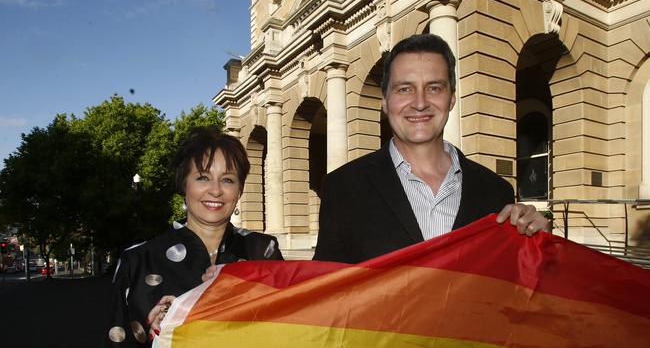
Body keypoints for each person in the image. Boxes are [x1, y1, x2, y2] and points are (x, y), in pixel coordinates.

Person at [313, 34, 549, 263]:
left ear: (451, 99)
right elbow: (325, 290)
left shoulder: (496, 192)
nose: (420, 103)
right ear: (385, 102)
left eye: (434, 88)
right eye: (404, 89)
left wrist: (540, 244)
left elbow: (514, 288)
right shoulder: (343, 188)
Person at [106, 126, 283, 347]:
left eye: (228, 180)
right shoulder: (138, 261)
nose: (216, 190)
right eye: (202, 178)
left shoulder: (264, 251)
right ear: (184, 185)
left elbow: (289, 326)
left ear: (239, 190)